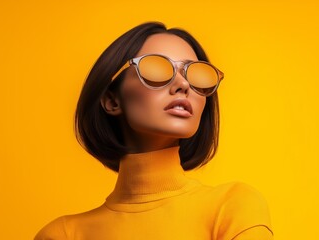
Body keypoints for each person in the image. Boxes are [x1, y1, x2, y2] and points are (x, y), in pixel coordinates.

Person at [34, 22, 273, 240]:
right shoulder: (63, 234)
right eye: (157, 69)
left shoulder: (232, 206)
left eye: (195, 73)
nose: (183, 84)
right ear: (112, 100)